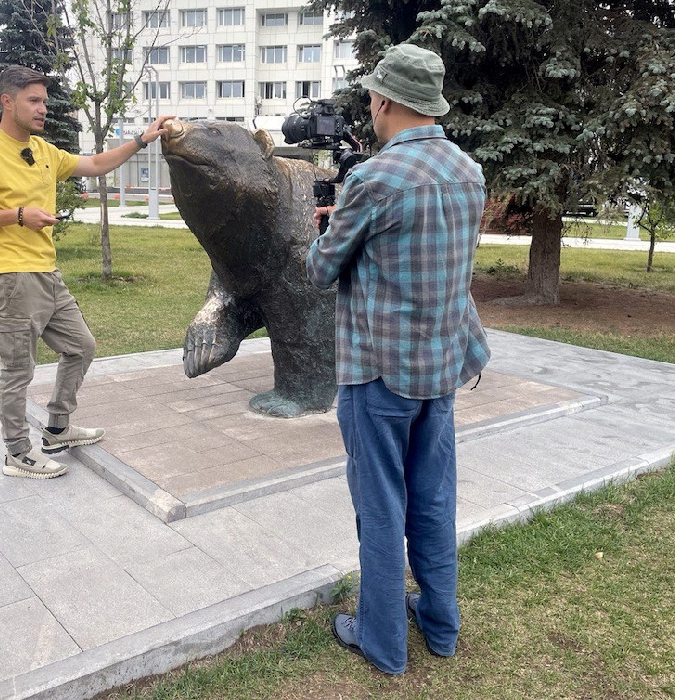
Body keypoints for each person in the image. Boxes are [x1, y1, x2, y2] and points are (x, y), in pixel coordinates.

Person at [305, 44, 491, 673]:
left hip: (378, 375)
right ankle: (441, 626)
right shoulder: (468, 170)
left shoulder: (374, 179)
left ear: (384, 100)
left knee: (380, 508)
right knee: (434, 501)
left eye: (372, 98)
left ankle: (381, 642)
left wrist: (324, 226)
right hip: (439, 369)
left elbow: (321, 269)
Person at [0, 64, 174, 479]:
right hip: (11, 277)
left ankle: (57, 428)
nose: (42, 109)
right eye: (34, 101)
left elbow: (96, 163)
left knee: (81, 346)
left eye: (44, 102)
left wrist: (142, 138)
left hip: (46, 273)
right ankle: (17, 452)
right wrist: (18, 216)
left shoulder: (44, 150)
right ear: (7, 101)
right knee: (18, 370)